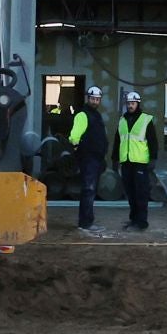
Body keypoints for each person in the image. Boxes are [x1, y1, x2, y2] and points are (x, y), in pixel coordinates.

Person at [111, 90, 161, 232]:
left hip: (140, 162)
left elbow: (153, 141)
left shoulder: (146, 119)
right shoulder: (122, 120)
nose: (130, 106)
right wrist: (115, 159)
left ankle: (142, 222)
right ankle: (133, 219)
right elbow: (117, 141)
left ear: (138, 104)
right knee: (130, 193)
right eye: (128, 103)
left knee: (141, 193)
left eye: (132, 103)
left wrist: (153, 158)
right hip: (126, 162)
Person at [67, 85, 108, 233]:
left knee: (90, 191)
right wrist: (80, 151)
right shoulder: (83, 115)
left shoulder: (96, 115)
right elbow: (74, 137)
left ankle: (87, 221)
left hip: (95, 159)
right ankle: (85, 223)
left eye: (97, 99)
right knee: (88, 190)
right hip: (89, 159)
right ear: (88, 98)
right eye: (93, 98)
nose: (95, 101)